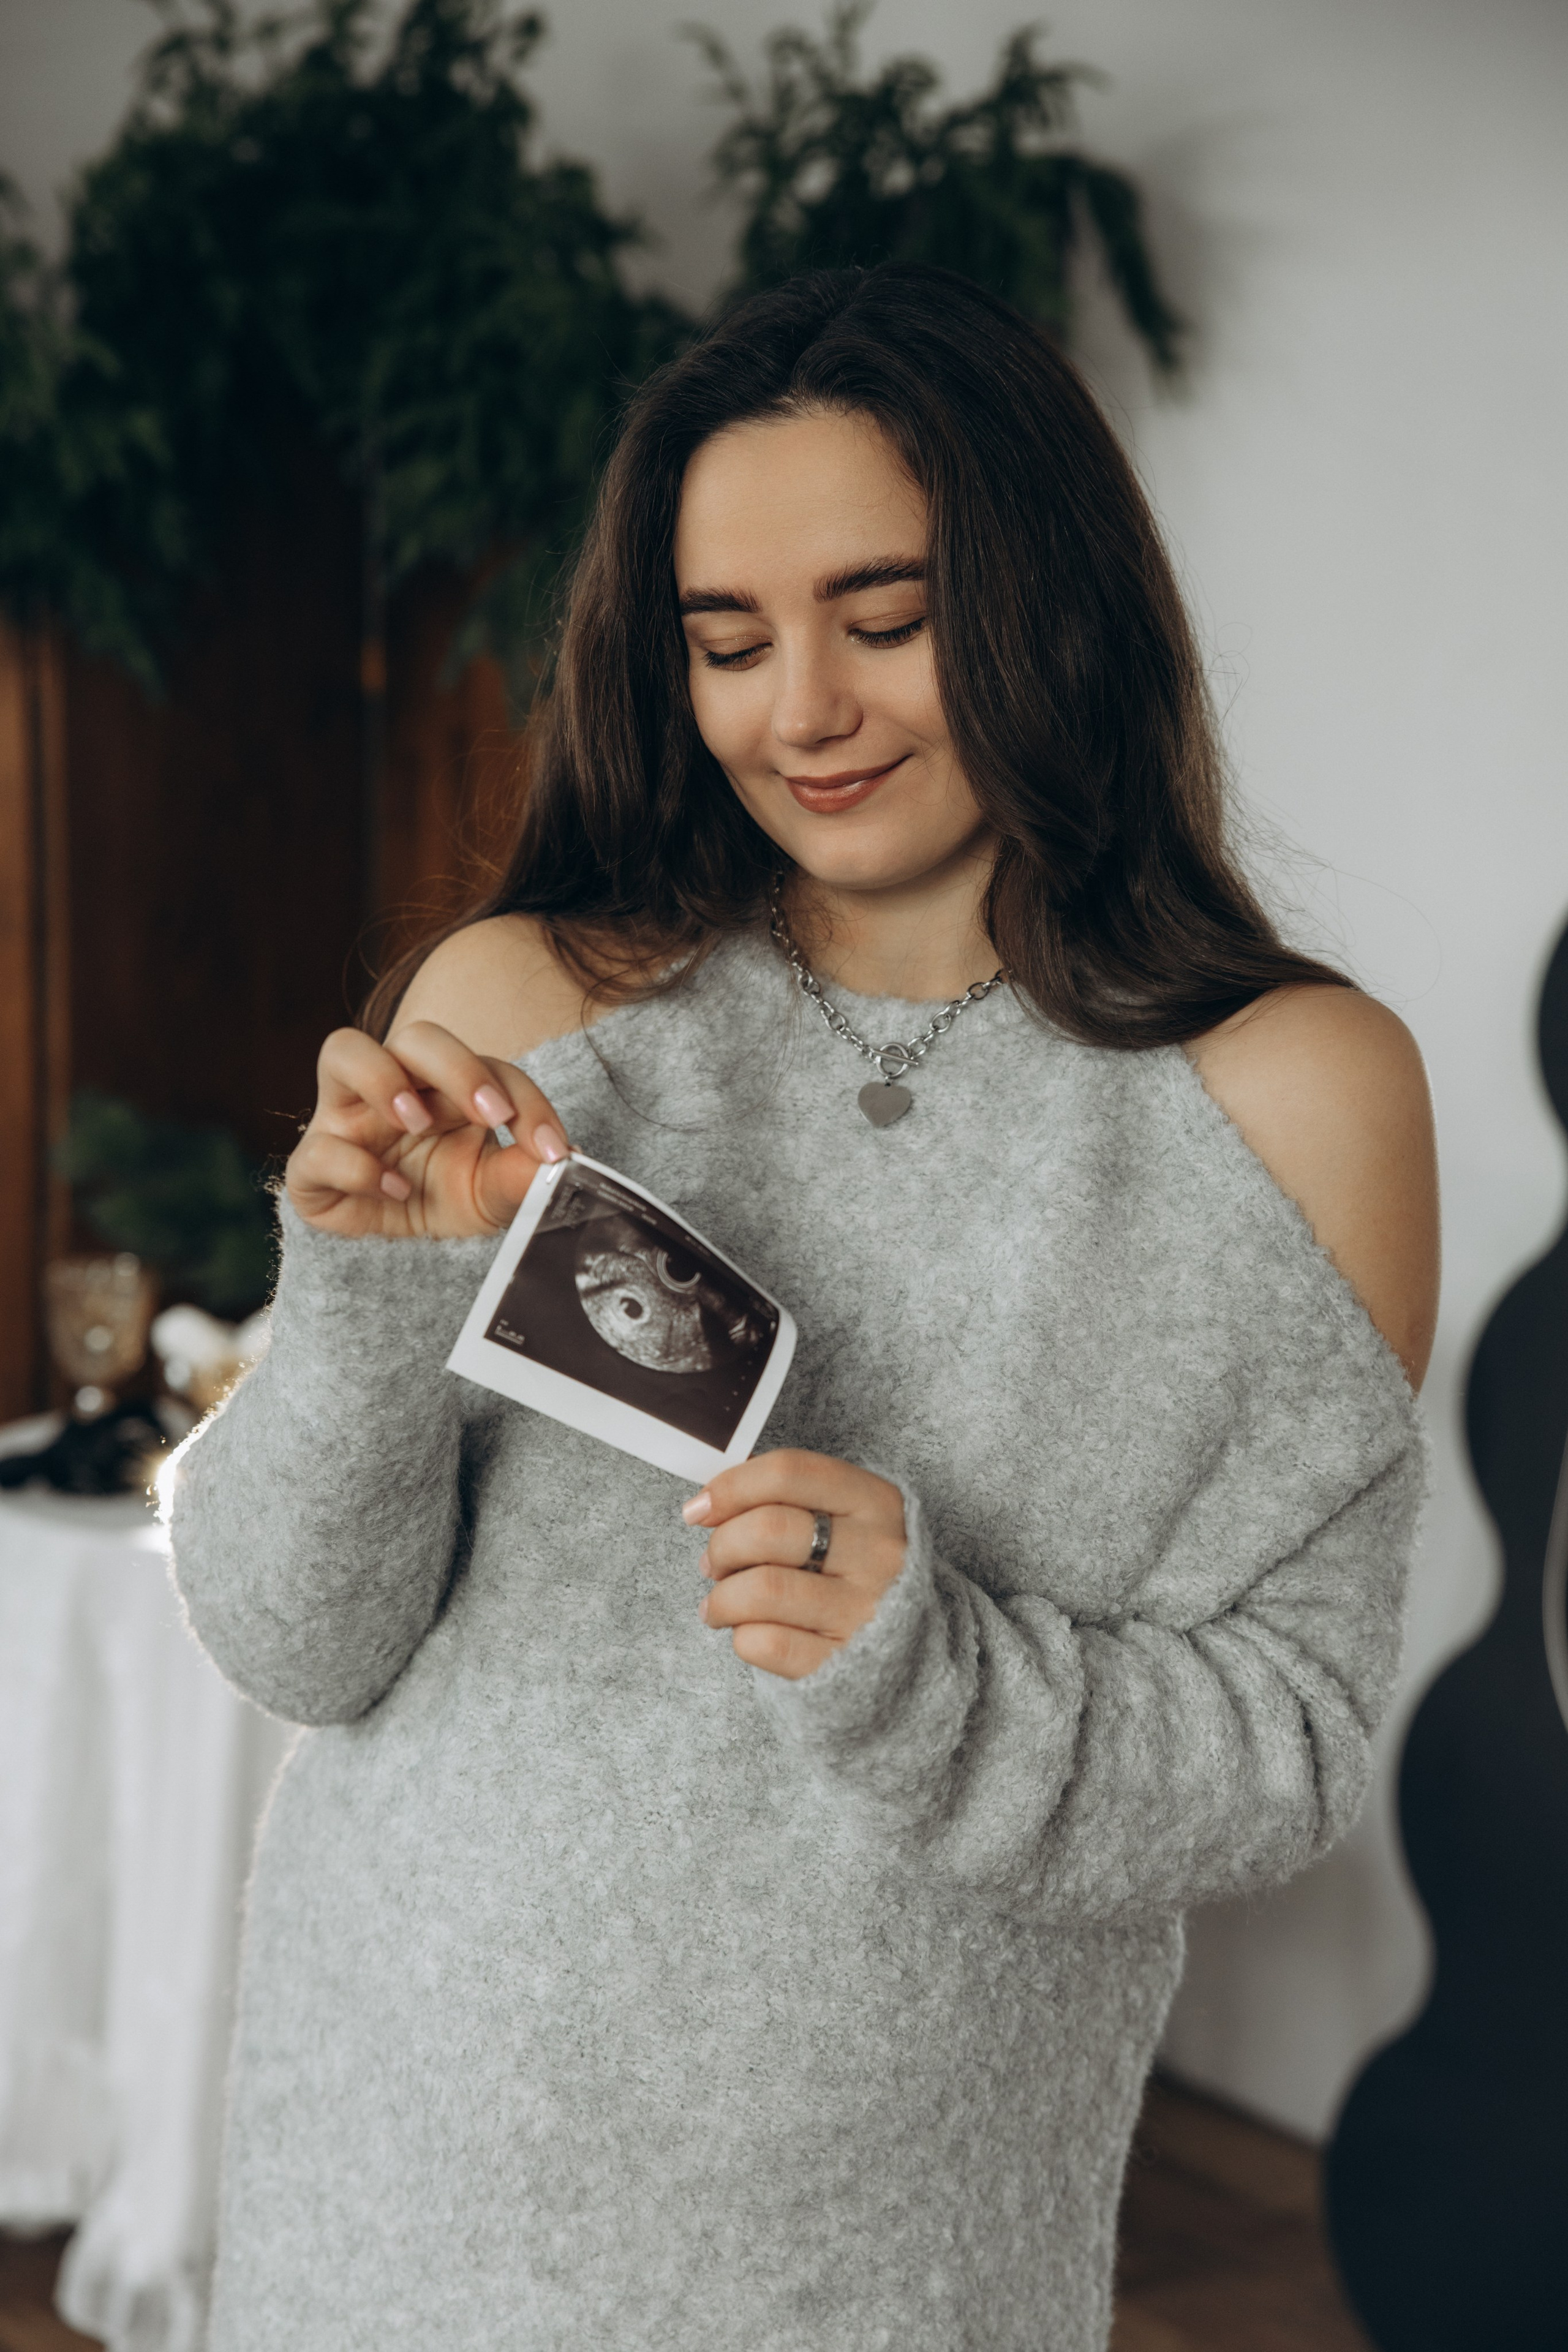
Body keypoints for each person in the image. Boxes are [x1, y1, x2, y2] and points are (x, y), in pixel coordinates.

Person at [167, 265, 1438, 2351]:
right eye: (728, 641)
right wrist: (375, 1303)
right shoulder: (522, 1004)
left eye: (888, 612)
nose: (802, 712)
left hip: (888, 2249)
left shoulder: (1296, 1100)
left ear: (1051, 599)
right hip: (402, 2157)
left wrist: (929, 1667)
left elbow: (1283, 1746)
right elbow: (299, 1640)